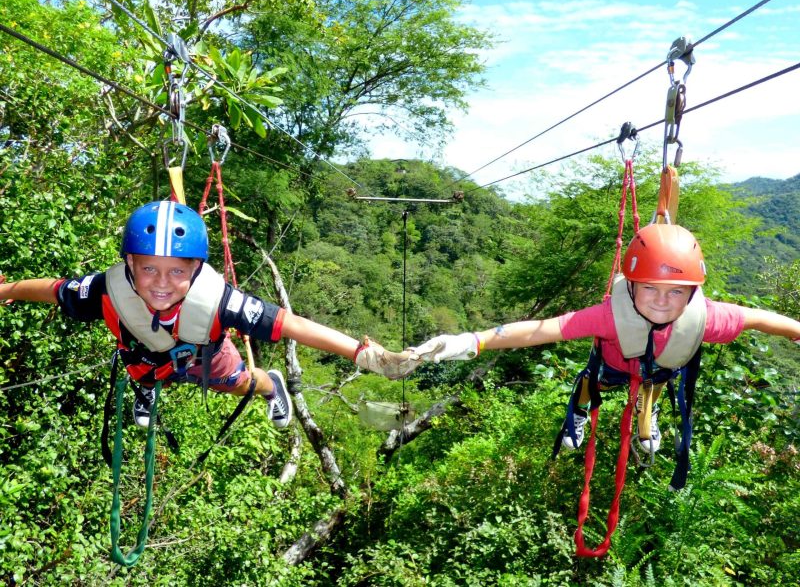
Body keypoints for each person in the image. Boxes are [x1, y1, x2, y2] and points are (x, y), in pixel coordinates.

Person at [0, 201, 415, 429]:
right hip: (145, 358)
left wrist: (362, 354)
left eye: (177, 271)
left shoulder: (220, 300)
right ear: (128, 262)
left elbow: (292, 325)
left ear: (197, 269)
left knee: (235, 382)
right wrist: (5, 290)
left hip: (206, 356)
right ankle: (148, 388)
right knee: (143, 369)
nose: (161, 283)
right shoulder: (107, 289)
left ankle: (270, 387)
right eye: (148, 268)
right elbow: (53, 290)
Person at [406, 223, 800, 452]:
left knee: (659, 381)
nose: (662, 301)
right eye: (650, 288)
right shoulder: (608, 317)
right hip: (612, 366)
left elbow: (760, 320)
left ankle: (650, 415)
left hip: (658, 371)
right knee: (592, 386)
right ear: (630, 287)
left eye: (677, 291)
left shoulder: (707, 317)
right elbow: (544, 329)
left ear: (693, 293)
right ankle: (576, 414)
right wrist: (472, 341)